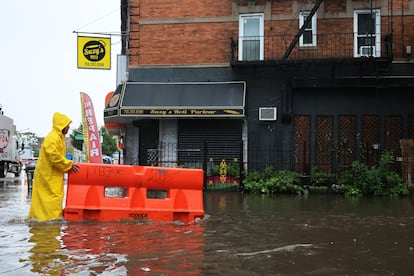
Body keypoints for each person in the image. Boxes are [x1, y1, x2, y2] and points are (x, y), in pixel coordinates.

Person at [28, 112, 80, 221]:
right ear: (61, 125)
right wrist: (69, 164)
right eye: (67, 125)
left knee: (49, 200)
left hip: (51, 176)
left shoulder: (58, 138)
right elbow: (54, 156)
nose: (68, 127)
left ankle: (44, 220)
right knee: (51, 201)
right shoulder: (53, 138)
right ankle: (48, 221)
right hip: (48, 176)